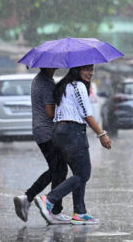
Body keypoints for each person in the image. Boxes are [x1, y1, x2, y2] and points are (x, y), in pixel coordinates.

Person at [35, 64, 111, 225]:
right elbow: (86, 113)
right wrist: (101, 134)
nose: (90, 73)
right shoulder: (78, 86)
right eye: (86, 69)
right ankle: (49, 199)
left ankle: (80, 212)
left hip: (59, 132)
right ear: (77, 70)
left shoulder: (64, 85)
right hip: (72, 132)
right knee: (83, 174)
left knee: (78, 173)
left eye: (91, 69)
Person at [13, 68, 70, 224]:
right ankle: (54, 209)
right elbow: (50, 112)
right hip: (47, 132)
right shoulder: (45, 83)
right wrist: (67, 109)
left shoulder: (41, 80)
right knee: (60, 169)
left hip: (42, 131)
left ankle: (29, 198)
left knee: (56, 169)